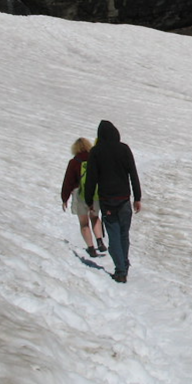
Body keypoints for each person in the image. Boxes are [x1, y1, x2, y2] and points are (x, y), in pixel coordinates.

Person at [84, 120, 142, 284]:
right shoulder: (124, 149)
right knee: (124, 234)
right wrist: (137, 197)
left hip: (107, 200)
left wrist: (89, 201)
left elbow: (91, 179)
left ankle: (120, 270)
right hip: (124, 198)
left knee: (114, 235)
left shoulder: (96, 152)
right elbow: (133, 174)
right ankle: (124, 263)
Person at [61, 137, 106, 257]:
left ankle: (91, 248)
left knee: (84, 222)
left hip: (79, 194)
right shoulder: (95, 159)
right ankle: (100, 241)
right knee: (95, 217)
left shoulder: (74, 162)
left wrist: (64, 198)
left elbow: (68, 181)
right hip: (94, 193)